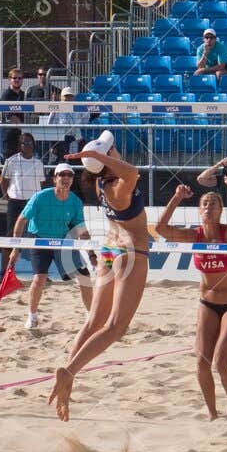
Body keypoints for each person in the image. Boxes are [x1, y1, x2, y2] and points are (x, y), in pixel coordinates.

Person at [47, 132, 153, 422]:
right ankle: (69, 372)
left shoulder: (100, 182)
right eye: (113, 150)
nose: (117, 151)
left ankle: (66, 374)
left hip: (108, 250)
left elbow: (119, 169)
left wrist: (96, 159)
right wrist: (97, 156)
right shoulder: (120, 184)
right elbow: (133, 171)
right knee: (115, 327)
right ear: (108, 157)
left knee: (93, 322)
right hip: (129, 253)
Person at [154, 159, 227, 421]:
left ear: (221, 210)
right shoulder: (194, 235)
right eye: (204, 204)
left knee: (221, 363)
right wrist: (176, 198)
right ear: (199, 210)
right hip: (207, 303)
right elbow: (161, 229)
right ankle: (212, 414)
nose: (208, 206)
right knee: (201, 362)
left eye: (213, 203)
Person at [5, 162, 93, 331]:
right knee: (40, 279)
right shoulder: (41, 197)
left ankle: (90, 316)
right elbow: (21, 220)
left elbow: (82, 230)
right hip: (38, 239)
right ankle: (32, 316)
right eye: (62, 175)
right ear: (54, 179)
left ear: (72, 179)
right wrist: (16, 248)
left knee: (84, 276)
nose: (66, 178)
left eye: (69, 175)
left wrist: (92, 253)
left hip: (62, 240)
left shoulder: (75, 201)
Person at [1, 132, 45, 255]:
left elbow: (41, 183)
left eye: (30, 143)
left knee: (36, 236)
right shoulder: (11, 161)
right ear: (20, 145)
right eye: (24, 143)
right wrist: (7, 197)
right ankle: (4, 272)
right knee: (11, 237)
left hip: (33, 203)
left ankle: (39, 272)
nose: (28, 145)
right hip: (16, 202)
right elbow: (3, 181)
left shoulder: (38, 163)